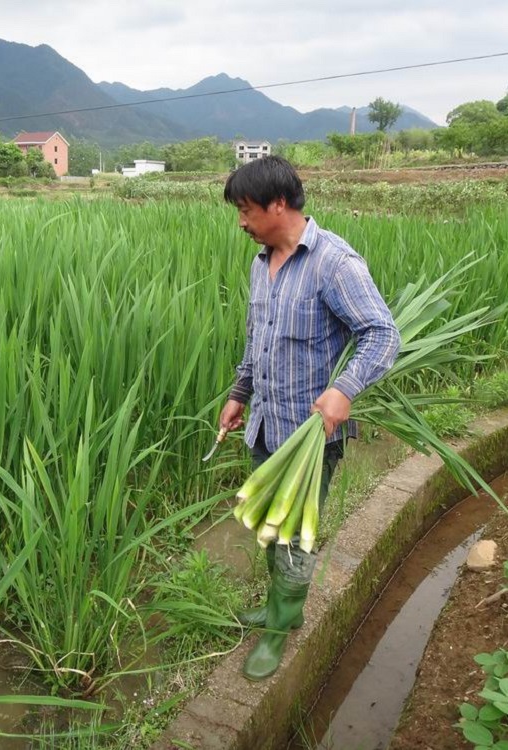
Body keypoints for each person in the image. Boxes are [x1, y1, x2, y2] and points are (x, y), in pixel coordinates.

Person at [219, 156, 400, 681]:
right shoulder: (261, 263)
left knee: (296, 532)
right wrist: (239, 392)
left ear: (279, 205)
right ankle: (285, 609)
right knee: (272, 524)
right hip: (265, 424)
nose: (242, 221)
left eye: (247, 210)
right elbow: (260, 338)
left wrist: (345, 390)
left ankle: (277, 630)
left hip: (310, 435)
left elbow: (383, 334)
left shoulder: (334, 263)